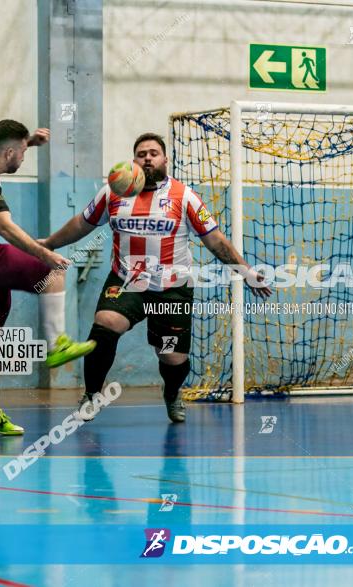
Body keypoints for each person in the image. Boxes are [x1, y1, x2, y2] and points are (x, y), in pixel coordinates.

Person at [40, 132, 271, 423]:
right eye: (141, 154)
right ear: (133, 160)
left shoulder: (184, 196)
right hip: (127, 282)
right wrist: (49, 243)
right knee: (106, 323)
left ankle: (172, 392)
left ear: (165, 160)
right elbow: (82, 224)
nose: (147, 158)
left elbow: (215, 241)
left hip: (172, 289)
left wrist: (246, 272)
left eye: (153, 153)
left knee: (172, 357)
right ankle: (92, 393)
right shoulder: (113, 192)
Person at [0, 120, 96, 435]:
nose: (24, 158)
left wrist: (31, 141)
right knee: (53, 271)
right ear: (9, 152)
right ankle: (57, 345)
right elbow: (6, 228)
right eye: (23, 152)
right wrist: (45, 254)